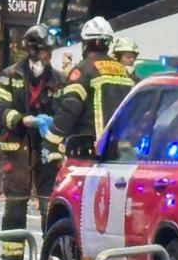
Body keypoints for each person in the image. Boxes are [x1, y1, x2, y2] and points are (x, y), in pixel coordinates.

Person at [0, 24, 62, 260]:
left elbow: (64, 110)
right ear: (31, 50)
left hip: (47, 145)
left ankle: (54, 258)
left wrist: (55, 125)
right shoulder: (11, 75)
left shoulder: (58, 79)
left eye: (48, 52)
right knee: (16, 198)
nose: (47, 57)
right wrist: (23, 120)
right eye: (43, 52)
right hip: (18, 144)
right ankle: (12, 256)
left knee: (49, 201)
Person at [44, 17, 135, 161]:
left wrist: (51, 142)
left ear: (86, 43)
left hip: (91, 151)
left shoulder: (83, 70)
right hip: (120, 151)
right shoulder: (123, 71)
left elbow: (70, 107)